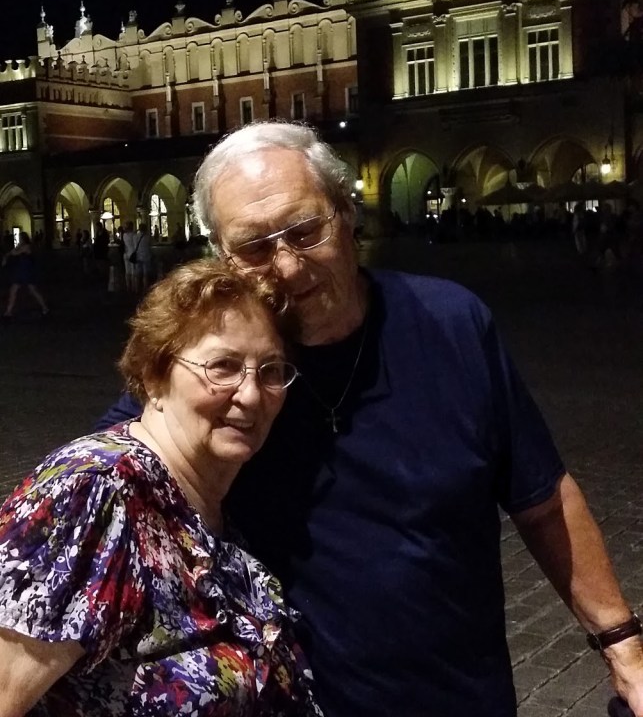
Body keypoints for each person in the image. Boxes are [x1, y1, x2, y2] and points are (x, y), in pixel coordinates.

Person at [97, 121, 643, 717]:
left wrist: (624, 648)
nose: (287, 265)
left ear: (346, 214)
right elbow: (107, 472)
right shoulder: (224, 372)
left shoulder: (451, 322)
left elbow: (542, 498)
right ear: (222, 258)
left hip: (461, 697)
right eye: (253, 247)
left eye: (305, 230)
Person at [0, 259, 322, 716]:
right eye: (223, 366)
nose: (251, 394)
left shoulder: (208, 504)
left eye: (270, 370)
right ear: (154, 377)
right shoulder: (96, 492)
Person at [1, 231, 49, 319]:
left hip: (26, 271)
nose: (18, 239)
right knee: (14, 290)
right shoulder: (21, 246)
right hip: (21, 271)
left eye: (20, 238)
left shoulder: (26, 247)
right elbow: (13, 252)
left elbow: (14, 253)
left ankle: (45, 307)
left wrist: (8, 255)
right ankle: (8, 311)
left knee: (33, 290)